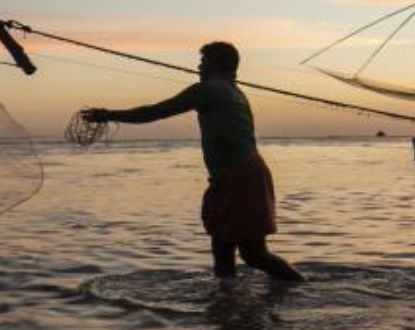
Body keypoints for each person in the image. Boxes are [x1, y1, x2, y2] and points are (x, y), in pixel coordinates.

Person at [83, 42, 305, 282]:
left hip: (240, 176)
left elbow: (155, 112)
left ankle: (300, 288)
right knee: (224, 250)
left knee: (254, 255)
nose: (199, 67)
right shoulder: (232, 90)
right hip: (242, 174)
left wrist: (107, 114)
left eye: (203, 62)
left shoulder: (209, 89)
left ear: (214, 64)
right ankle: (226, 305)